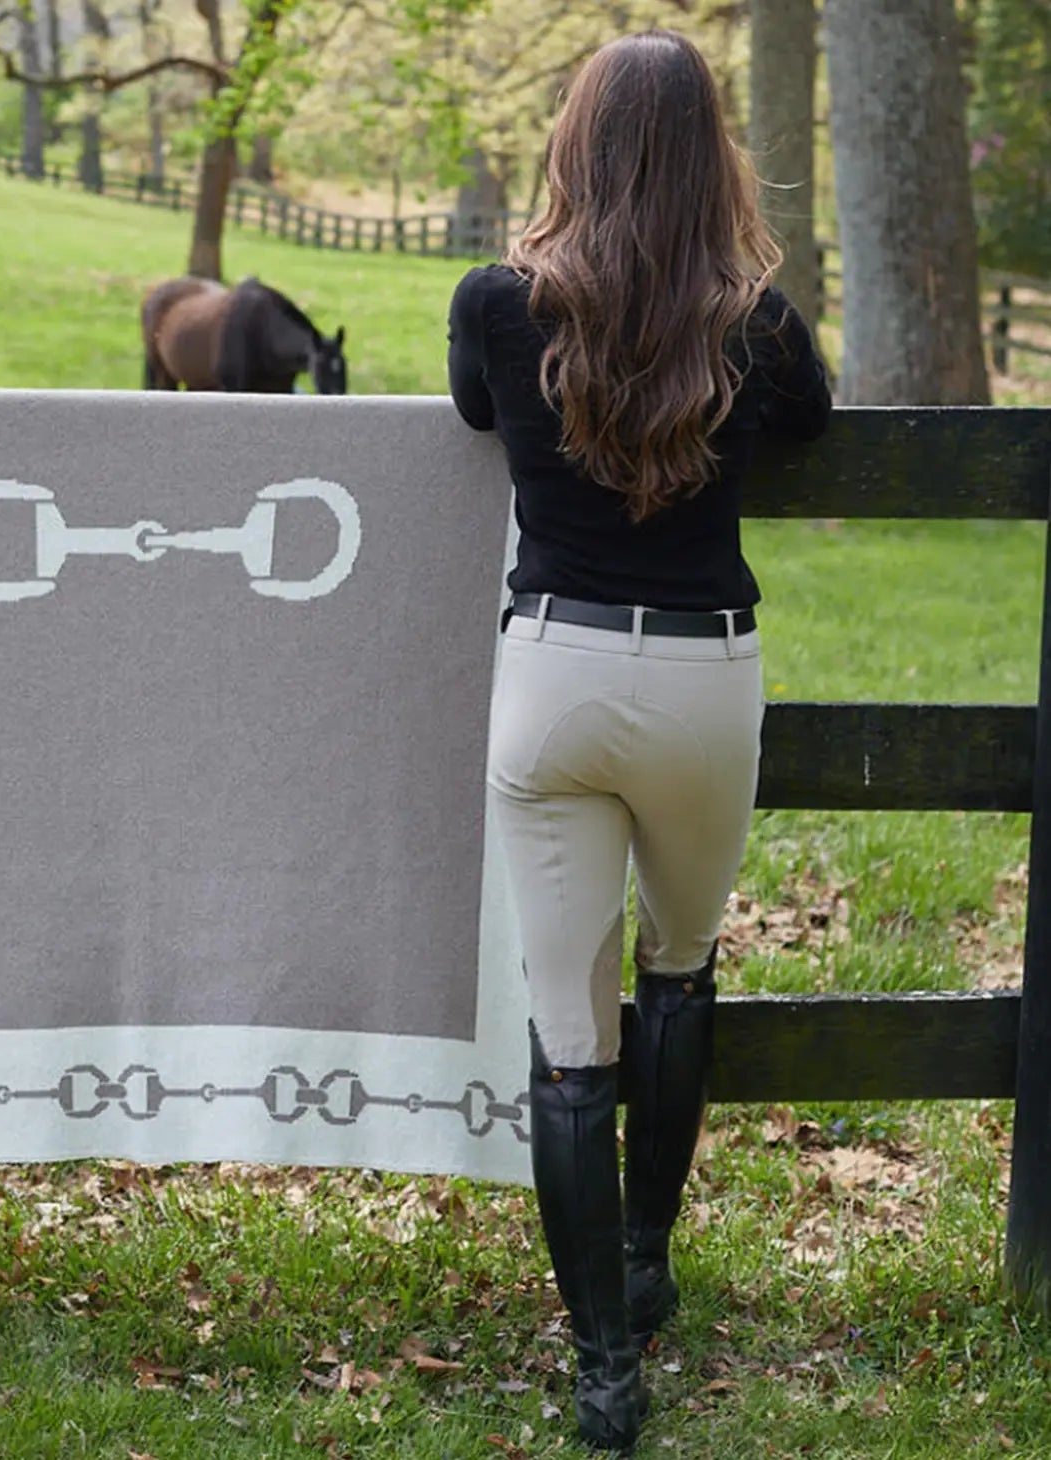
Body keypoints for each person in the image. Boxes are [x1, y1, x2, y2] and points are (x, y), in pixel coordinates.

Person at [447, 29, 833, 1453]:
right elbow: (813, 422)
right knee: (679, 971)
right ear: (710, 155)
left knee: (570, 1041)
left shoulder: (500, 302)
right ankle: (649, 1255)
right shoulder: (755, 323)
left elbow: (476, 410)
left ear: (575, 143)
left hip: (553, 673)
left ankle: (605, 1370)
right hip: (699, 682)